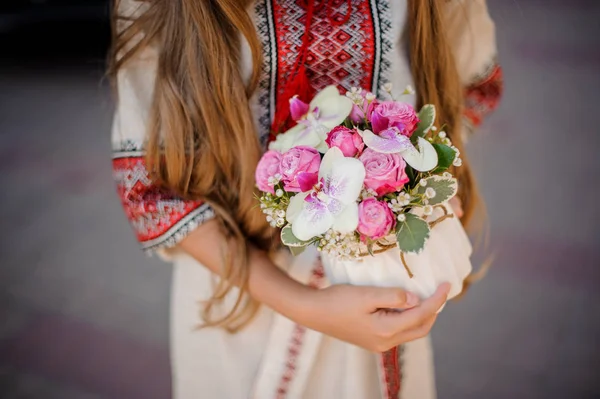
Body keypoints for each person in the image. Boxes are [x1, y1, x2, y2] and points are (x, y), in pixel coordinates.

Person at [109, 0, 503, 397]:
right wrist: (304, 305)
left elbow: (470, 88)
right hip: (237, 305)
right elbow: (153, 189)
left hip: (385, 292)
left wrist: (425, 180)